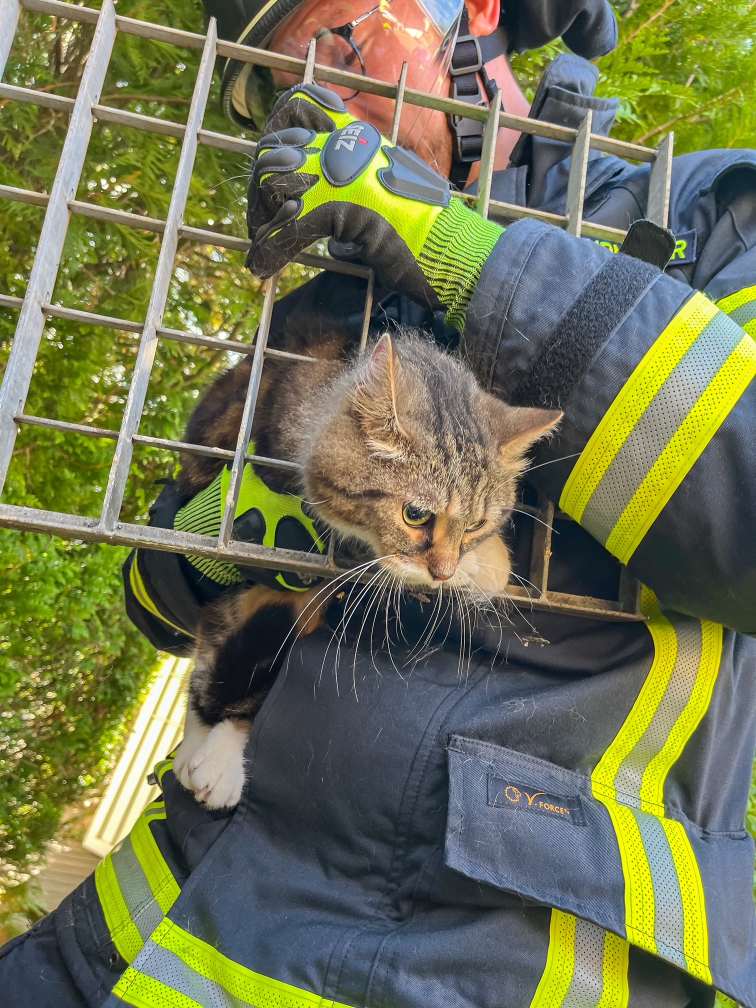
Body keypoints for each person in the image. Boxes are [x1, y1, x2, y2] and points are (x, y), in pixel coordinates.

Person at [2, 2, 754, 1006]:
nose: (319, 89)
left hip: (505, 952)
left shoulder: (707, 212)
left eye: (343, 36)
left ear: (473, 18)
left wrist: (448, 246)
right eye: (283, 76)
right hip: (155, 927)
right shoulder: (325, 306)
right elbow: (152, 601)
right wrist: (207, 542)